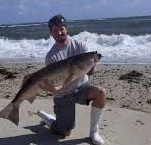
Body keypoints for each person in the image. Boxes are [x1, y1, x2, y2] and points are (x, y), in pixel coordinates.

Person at [37, 14, 106, 145]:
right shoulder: (51, 57)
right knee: (64, 133)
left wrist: (93, 64)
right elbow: (55, 85)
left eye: (61, 29)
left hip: (81, 87)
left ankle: (94, 132)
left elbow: (90, 73)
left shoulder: (80, 45)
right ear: (51, 33)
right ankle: (48, 119)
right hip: (63, 94)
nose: (59, 32)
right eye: (55, 30)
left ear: (66, 29)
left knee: (101, 92)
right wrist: (53, 89)